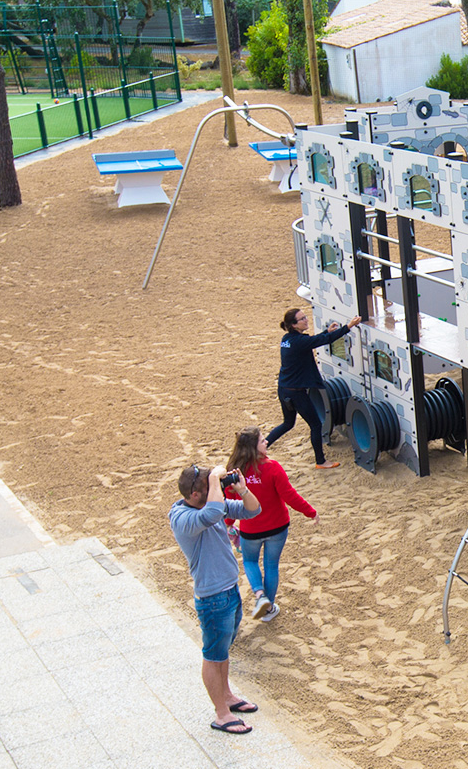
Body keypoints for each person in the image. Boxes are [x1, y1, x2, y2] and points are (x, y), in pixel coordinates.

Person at [169, 462, 261, 735]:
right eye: (210, 488)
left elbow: (253, 510)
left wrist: (242, 490)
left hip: (230, 590)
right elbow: (213, 512)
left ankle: (228, 697)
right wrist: (213, 479)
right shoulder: (183, 518)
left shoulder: (209, 505)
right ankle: (221, 715)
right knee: (212, 655)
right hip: (212, 598)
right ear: (196, 495)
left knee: (222, 652)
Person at [224, 426, 318, 623]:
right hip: (277, 527)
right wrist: (310, 512)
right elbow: (289, 495)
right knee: (271, 565)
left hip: (251, 529)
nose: (266, 442)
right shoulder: (273, 467)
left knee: (250, 562)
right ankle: (269, 608)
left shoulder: (234, 472)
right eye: (262, 440)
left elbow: (230, 502)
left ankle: (260, 596)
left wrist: (228, 524)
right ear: (253, 447)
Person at [266, 307, 361, 469]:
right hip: (296, 394)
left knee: (288, 423)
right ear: (294, 325)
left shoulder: (287, 339)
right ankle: (321, 461)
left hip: (284, 389)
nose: (306, 320)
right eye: (302, 319)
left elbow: (313, 340)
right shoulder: (299, 342)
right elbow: (320, 341)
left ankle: (260, 448)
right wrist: (348, 327)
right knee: (316, 425)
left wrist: (326, 331)